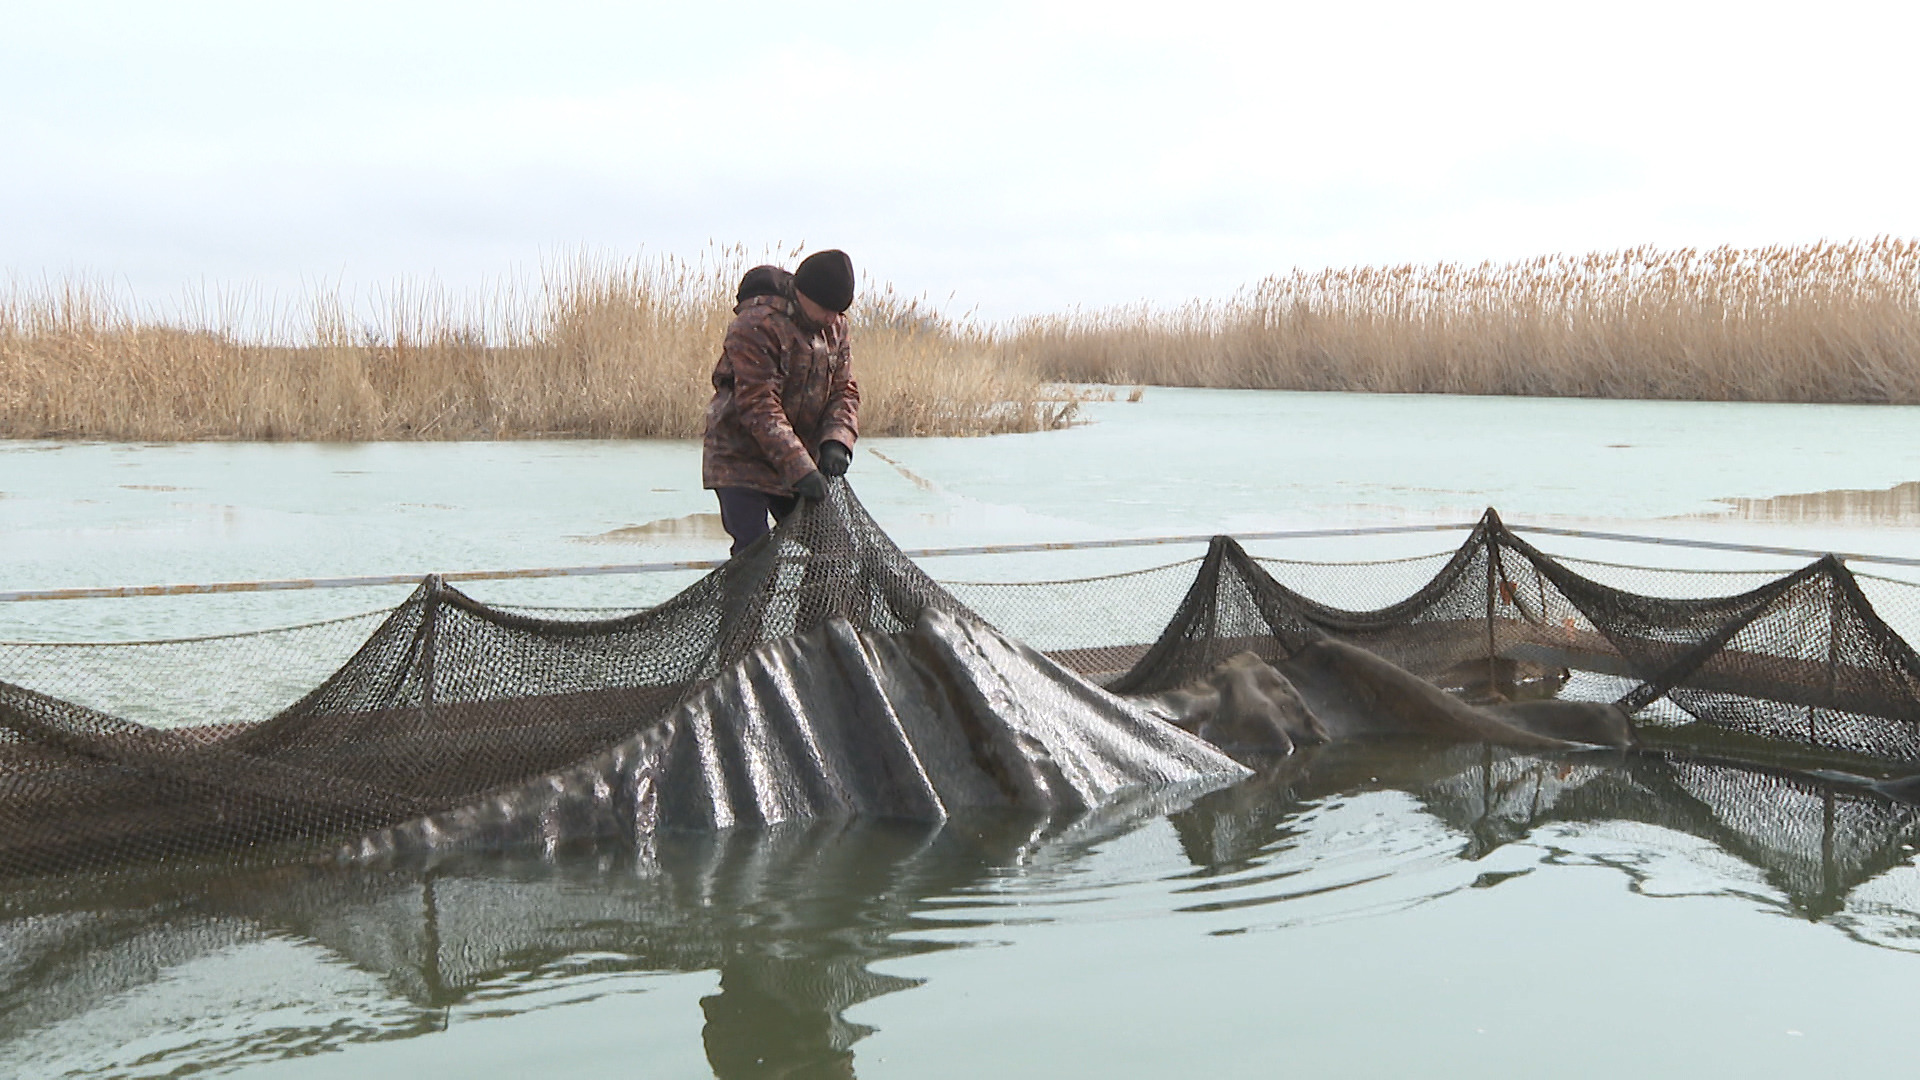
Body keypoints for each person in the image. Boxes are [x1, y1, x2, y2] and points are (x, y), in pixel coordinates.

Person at [702, 249, 860, 557]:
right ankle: (749, 592)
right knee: (757, 553)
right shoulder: (756, 325)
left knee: (834, 550)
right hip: (740, 460)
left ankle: (818, 595)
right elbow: (759, 404)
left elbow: (845, 390)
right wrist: (801, 468)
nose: (831, 319)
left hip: (799, 461)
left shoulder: (836, 327)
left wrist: (837, 441)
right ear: (802, 293)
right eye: (826, 309)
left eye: (838, 311)